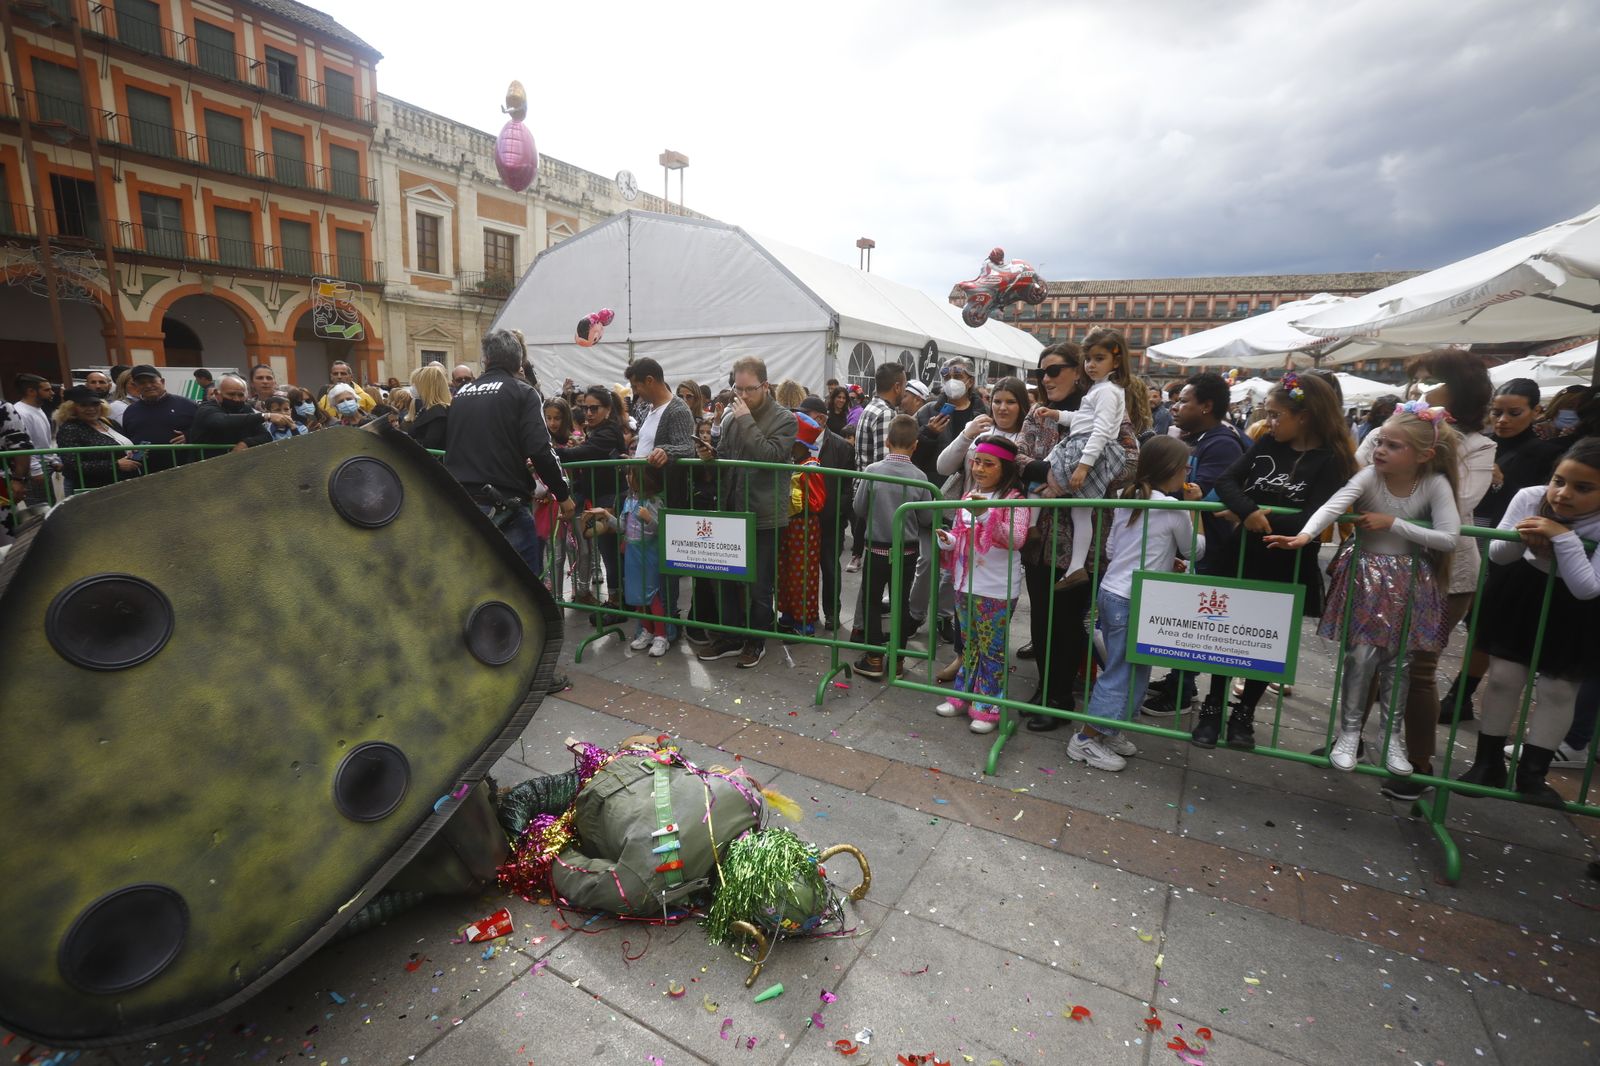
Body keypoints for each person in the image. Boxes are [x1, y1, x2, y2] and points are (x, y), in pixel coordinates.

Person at [1266, 405, 1462, 775]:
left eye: (1393, 445)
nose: (1380, 450)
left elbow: (1449, 537)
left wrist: (1394, 523)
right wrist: (1305, 535)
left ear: (1424, 455)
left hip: (1410, 580)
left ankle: (1390, 737)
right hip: (1365, 576)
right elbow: (1334, 505)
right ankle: (1349, 732)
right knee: (1360, 657)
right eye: (1380, 442)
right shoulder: (1370, 476)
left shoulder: (1435, 483)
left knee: (1399, 662)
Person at [1193, 372, 1356, 748]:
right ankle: (1212, 707)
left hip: (1288, 561)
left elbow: (1314, 517)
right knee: (1225, 634)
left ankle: (1244, 714)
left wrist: (1250, 516)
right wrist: (1248, 511)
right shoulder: (1267, 442)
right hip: (1243, 555)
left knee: (1267, 639)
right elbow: (1227, 482)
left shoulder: (1331, 460)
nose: (1269, 421)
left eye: (1276, 414)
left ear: (1305, 416)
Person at [1360, 352, 1494, 800]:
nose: (1418, 389)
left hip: (1442, 573)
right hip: (1382, 565)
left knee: (1418, 668)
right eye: (1415, 381)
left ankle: (1417, 765)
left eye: (1428, 380)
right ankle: (1350, 738)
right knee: (1366, 655)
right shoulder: (1393, 429)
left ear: (1456, 388)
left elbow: (1457, 503)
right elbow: (1361, 470)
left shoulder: (1478, 446)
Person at [1453, 438, 1600, 804]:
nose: (1563, 494)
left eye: (1583, 488)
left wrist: (1563, 538)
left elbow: (1586, 587)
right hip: (1522, 594)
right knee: (1503, 679)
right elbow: (1499, 554)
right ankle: (1487, 764)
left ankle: (1533, 774)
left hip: (1577, 611)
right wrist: (1524, 536)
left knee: (1559, 689)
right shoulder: (1530, 497)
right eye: (1558, 481)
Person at [1438, 378, 1568, 720]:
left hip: (1508, 546)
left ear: (1536, 412)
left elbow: (1543, 501)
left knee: (1483, 622)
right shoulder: (1480, 444)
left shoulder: (1546, 453)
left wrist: (1502, 481)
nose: (1502, 420)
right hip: (1467, 535)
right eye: (1496, 412)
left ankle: (1460, 695)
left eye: (1514, 412)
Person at [1070, 437, 1202, 771]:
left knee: (1135, 667)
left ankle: (1109, 729)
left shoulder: (1127, 497)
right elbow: (1194, 550)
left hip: (1115, 592)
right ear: (1171, 469)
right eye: (1185, 467)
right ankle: (1086, 738)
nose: (1187, 472)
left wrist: (1162, 557)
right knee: (1122, 671)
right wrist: (1195, 509)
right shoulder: (1172, 507)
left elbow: (1113, 549)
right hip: (1133, 598)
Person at [1142, 372, 1249, 719]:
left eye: (1184, 401)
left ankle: (1182, 690)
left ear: (1206, 406)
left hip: (1212, 546)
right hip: (1197, 541)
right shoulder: (1205, 438)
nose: (1176, 406)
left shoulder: (1222, 443)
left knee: (1194, 620)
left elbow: (1196, 493)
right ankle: (1179, 680)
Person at [443, 329, 573, 576]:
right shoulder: (523, 392)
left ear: (486, 360)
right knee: (522, 588)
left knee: (474, 582)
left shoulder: (461, 395)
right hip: (504, 505)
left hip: (462, 503)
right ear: (518, 362)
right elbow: (540, 449)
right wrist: (563, 494)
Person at [696, 355, 798, 669]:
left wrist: (745, 421)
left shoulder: (785, 419)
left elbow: (770, 456)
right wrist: (711, 456)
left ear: (765, 386)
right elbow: (728, 457)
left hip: (763, 512)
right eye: (737, 389)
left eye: (748, 389)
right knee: (724, 577)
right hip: (731, 508)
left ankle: (756, 641)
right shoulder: (731, 417)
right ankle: (730, 637)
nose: (741, 395)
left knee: (759, 585)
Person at [934, 434, 1031, 734]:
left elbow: (1016, 539)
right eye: (977, 462)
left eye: (989, 464)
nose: (979, 469)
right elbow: (960, 534)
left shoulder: (1015, 501)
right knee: (970, 645)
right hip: (965, 585)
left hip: (996, 588)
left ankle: (988, 707)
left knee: (992, 650)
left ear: (1005, 468)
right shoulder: (967, 496)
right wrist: (948, 541)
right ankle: (962, 696)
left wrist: (986, 515)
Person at [1046, 328, 1143, 588]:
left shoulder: (1107, 391)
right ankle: (1076, 567)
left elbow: (1100, 430)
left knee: (1052, 484)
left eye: (1099, 358)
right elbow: (1083, 419)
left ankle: (1072, 563)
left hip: (1089, 449)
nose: (1091, 364)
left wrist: (1083, 466)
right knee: (1081, 511)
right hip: (1087, 446)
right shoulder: (1101, 389)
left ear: (1116, 361)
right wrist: (1058, 416)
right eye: (1088, 359)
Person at [852, 414, 933, 680]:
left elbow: (859, 507)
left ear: (887, 441)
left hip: (876, 549)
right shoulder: (920, 477)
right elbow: (926, 517)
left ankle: (874, 657)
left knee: (872, 602)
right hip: (906, 552)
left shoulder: (873, 471)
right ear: (915, 445)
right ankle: (897, 660)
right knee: (901, 603)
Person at [586, 465, 671, 657]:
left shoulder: (655, 502)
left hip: (649, 553)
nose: (627, 477)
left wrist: (649, 520)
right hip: (632, 552)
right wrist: (606, 515)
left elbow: (662, 529)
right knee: (637, 594)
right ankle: (647, 630)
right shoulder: (629, 501)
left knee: (651, 594)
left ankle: (661, 635)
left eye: (631, 474)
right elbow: (622, 526)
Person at [558, 386, 626, 605]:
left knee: (611, 552)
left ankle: (616, 599)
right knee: (608, 552)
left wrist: (551, 452)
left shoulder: (608, 432)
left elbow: (583, 454)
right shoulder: (597, 430)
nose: (588, 413)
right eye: (585, 408)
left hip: (610, 498)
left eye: (594, 408)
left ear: (608, 409)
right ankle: (618, 597)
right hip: (599, 497)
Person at [848, 363, 907, 575]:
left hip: (866, 488)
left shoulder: (871, 408)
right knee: (881, 565)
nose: (905, 391)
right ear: (897, 386)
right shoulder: (885, 413)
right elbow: (887, 462)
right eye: (905, 385)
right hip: (879, 494)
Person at [52, 385, 141, 492]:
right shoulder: (70, 429)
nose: (91, 409)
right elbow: (72, 465)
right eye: (83, 405)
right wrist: (115, 465)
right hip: (94, 489)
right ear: (71, 408)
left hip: (122, 484)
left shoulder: (108, 422)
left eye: (95, 404)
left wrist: (135, 454)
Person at [912, 357, 987, 481]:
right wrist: (928, 434)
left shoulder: (984, 414)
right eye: (947, 378)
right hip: (935, 484)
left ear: (970, 381)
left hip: (972, 482)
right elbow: (912, 454)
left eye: (957, 377)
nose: (951, 382)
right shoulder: (927, 411)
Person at [120, 365, 199, 473]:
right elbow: (129, 439)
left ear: (162, 382)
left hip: (186, 470)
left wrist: (189, 435)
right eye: (142, 383)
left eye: (152, 381)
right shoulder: (131, 411)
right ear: (136, 386)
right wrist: (136, 455)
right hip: (147, 473)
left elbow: (206, 430)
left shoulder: (186, 405)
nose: (148, 386)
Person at [191, 374, 288, 450]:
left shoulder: (245, 408)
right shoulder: (206, 409)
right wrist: (265, 416)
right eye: (231, 394)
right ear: (217, 394)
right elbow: (220, 421)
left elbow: (266, 436)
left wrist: (246, 443)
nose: (236, 399)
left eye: (241, 395)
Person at [10, 374, 57, 502]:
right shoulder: (21, 412)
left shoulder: (37, 408)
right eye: (47, 390)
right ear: (31, 391)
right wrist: (35, 470)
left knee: (50, 503)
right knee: (40, 507)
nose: (52, 393)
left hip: (44, 464)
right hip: (34, 467)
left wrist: (53, 459)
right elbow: (24, 445)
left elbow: (42, 441)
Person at [407, 364, 452, 451]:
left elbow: (429, 444)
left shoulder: (439, 413)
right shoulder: (427, 408)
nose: (412, 387)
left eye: (415, 384)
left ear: (426, 387)